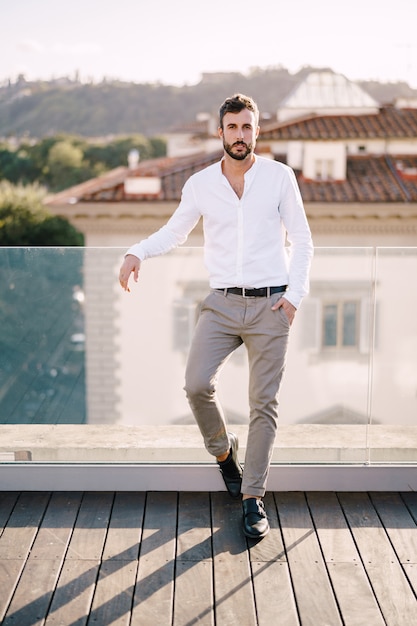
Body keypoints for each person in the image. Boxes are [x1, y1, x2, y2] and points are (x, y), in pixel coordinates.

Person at [119, 94, 313, 539]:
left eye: (247, 127)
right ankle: (225, 455)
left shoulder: (280, 178)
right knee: (195, 384)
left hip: (271, 305)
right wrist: (136, 251)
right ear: (220, 132)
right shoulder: (201, 184)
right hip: (222, 304)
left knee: (263, 405)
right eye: (232, 128)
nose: (240, 135)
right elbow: (175, 232)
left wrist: (294, 297)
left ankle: (252, 498)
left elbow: (303, 240)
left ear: (257, 131)